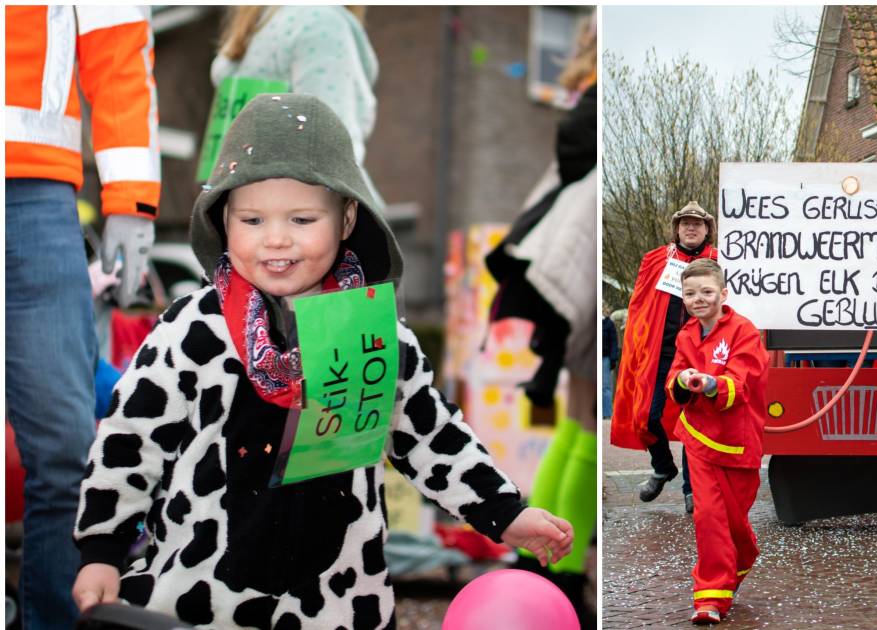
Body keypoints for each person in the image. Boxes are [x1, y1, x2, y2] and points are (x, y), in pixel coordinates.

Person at [70, 94, 572, 628]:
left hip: (337, 604)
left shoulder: (373, 337)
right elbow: (129, 437)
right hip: (199, 599)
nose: (277, 238)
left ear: (347, 216)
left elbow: (432, 436)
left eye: (303, 217)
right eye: (253, 219)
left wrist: (504, 512)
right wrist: (102, 548)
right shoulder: (193, 328)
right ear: (224, 221)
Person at [6, 6, 159, 627]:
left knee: (68, 448)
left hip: (35, 190)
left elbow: (118, 42)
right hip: (35, 201)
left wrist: (131, 197)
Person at [483, 13, 597, 624]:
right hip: (575, 271)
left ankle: (541, 558)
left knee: (575, 425)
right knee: (581, 423)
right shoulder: (598, 96)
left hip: (563, 268)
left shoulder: (585, 89)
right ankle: (563, 566)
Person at [665, 259, 767, 625]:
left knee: (734, 524)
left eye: (706, 292)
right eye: (690, 293)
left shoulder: (745, 332)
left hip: (739, 443)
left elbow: (742, 383)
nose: (698, 299)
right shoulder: (685, 335)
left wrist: (711, 383)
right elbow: (675, 376)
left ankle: (737, 565)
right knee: (708, 518)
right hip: (698, 439)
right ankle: (710, 598)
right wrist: (682, 381)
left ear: (722, 294)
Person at [212, 5, 384, 207]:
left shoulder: (259, 24)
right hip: (296, 211)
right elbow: (332, 151)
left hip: (258, 208)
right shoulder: (319, 22)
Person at [611, 201, 719, 511]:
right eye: (685, 223)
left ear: (707, 229)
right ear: (676, 228)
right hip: (661, 353)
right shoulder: (657, 259)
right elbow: (641, 306)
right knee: (646, 415)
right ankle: (662, 466)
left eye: (697, 224)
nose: (690, 227)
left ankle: (691, 489)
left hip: (700, 353)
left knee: (694, 422)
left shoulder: (720, 260)